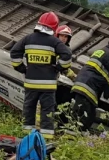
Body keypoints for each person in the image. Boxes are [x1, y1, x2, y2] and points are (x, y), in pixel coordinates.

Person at [10, 11, 72, 139]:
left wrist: (22, 68)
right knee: (47, 112)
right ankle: (45, 139)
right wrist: (58, 67)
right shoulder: (54, 42)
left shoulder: (27, 39)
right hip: (48, 86)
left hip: (31, 83)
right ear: (54, 27)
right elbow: (67, 55)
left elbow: (14, 52)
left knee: (29, 109)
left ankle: (27, 137)